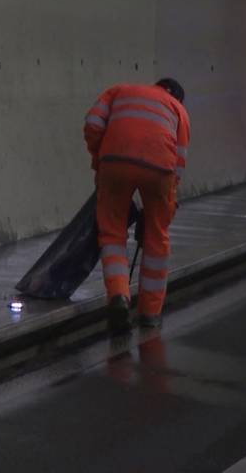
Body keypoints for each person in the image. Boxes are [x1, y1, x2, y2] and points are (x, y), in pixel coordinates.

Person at [83, 78, 190, 332]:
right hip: (159, 168)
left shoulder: (119, 90)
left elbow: (93, 123)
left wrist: (100, 160)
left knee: (111, 233)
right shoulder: (178, 109)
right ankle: (150, 314)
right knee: (157, 237)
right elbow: (179, 160)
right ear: (176, 96)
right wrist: (163, 206)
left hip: (115, 160)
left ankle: (119, 295)